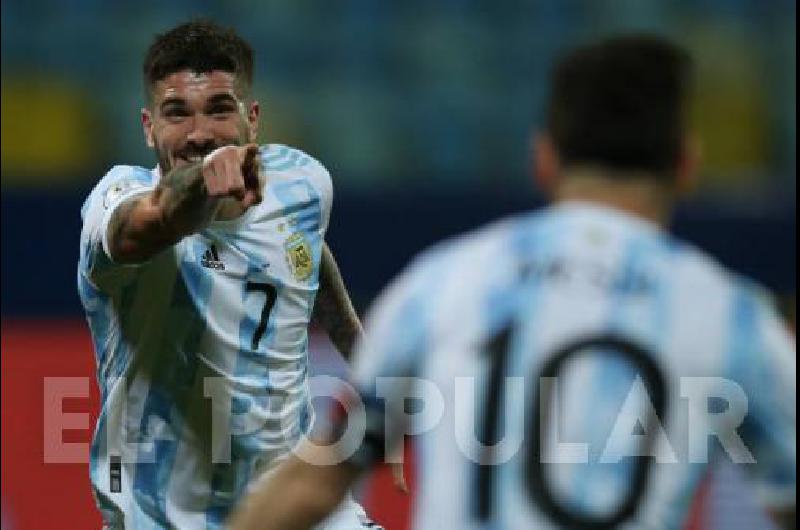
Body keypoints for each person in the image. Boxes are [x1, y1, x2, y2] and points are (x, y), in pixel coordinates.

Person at [228, 35, 796, 530]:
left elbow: (317, 478)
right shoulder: (731, 315)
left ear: (543, 159)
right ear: (686, 164)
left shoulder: (445, 281)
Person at [77, 19, 390, 530]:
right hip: (167, 516)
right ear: (148, 127)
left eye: (219, 109)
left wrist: (373, 370)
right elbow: (150, 223)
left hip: (293, 506)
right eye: (176, 113)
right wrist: (201, 187)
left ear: (253, 119)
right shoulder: (114, 203)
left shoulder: (303, 183)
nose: (199, 134)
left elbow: (305, 253)